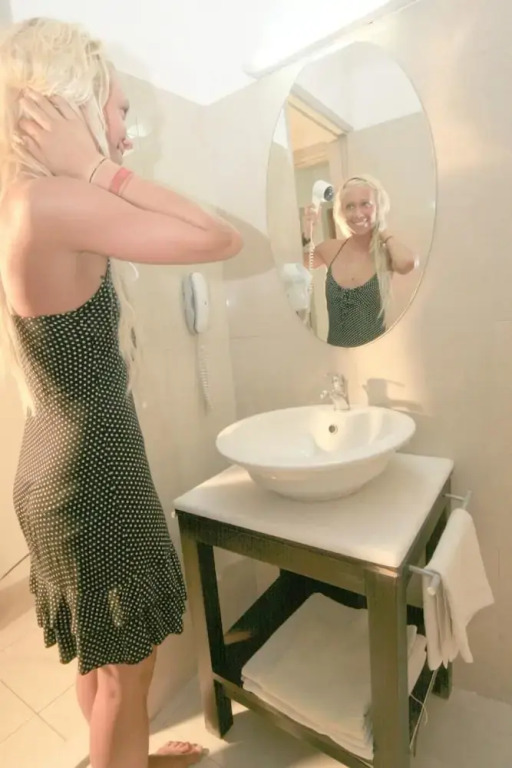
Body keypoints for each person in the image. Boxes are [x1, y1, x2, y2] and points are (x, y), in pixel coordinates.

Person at [0, 17, 243, 768]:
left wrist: (90, 166)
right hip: (91, 472)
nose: (125, 133)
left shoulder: (21, 202)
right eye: (119, 110)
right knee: (126, 673)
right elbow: (218, 237)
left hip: (58, 461)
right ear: (72, 102)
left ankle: (124, 756)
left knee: (105, 664)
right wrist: (96, 167)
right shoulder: (52, 202)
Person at [302, 174, 416, 346]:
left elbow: (407, 263)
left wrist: (382, 229)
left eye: (365, 204)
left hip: (376, 354)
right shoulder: (331, 249)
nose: (357, 213)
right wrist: (306, 231)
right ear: (342, 213)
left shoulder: (385, 254)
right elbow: (299, 265)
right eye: (350, 206)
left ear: (378, 207)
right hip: (336, 355)